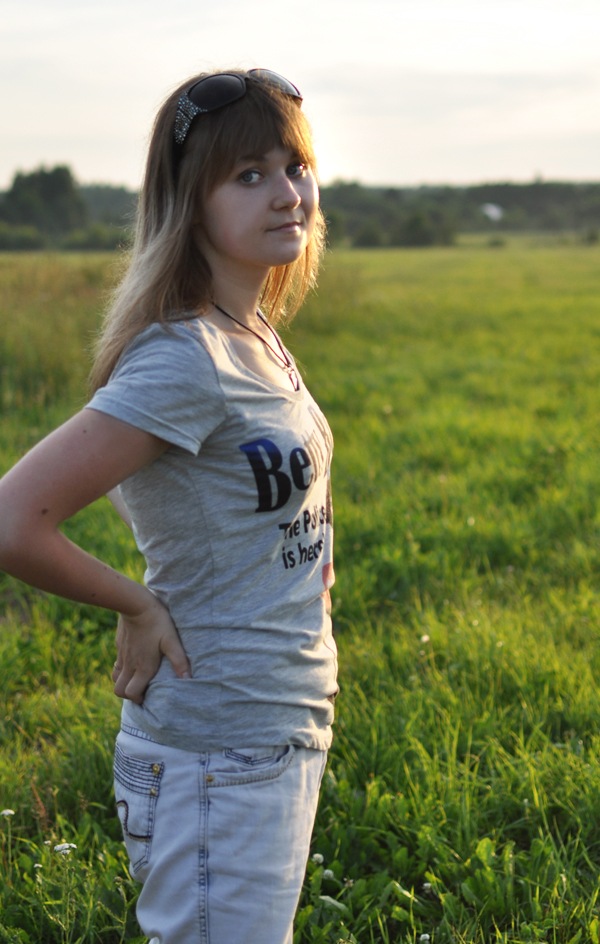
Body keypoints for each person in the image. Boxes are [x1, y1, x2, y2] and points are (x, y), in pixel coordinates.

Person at [0, 68, 337, 944]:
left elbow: (215, 495)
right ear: (190, 203)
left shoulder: (250, 335)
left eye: (295, 166)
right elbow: (14, 520)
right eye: (249, 175)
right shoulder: (185, 357)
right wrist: (138, 602)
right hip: (217, 748)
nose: (287, 194)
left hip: (273, 725)